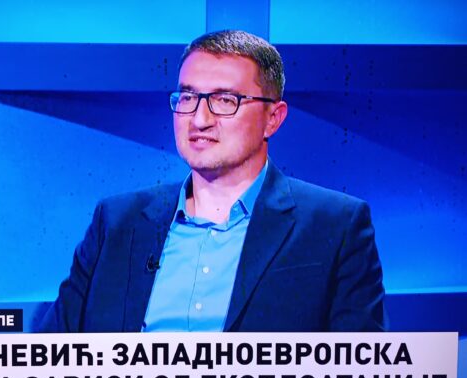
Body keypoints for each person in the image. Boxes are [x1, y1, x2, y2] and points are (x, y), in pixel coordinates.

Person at [39, 29, 385, 334]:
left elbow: (359, 372)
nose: (199, 119)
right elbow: (50, 359)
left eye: (224, 100)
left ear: (273, 118)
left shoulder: (335, 225)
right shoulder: (116, 221)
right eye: (188, 97)